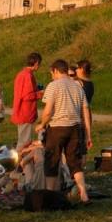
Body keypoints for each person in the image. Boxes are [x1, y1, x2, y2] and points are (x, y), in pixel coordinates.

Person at [34, 59, 91, 204]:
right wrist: (88, 134)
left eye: (51, 73)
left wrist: (42, 124)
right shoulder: (78, 86)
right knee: (74, 161)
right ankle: (83, 193)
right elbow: (85, 110)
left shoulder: (53, 86)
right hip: (75, 128)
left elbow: (48, 111)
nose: (51, 76)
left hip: (57, 127)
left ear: (55, 70)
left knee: (52, 161)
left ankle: (51, 196)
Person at [11, 52, 43, 154]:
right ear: (36, 63)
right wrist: (40, 94)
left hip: (20, 111)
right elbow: (27, 96)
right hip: (26, 112)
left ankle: (20, 164)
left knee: (23, 139)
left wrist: (36, 89)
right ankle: (18, 165)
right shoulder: (28, 75)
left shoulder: (21, 74)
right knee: (24, 142)